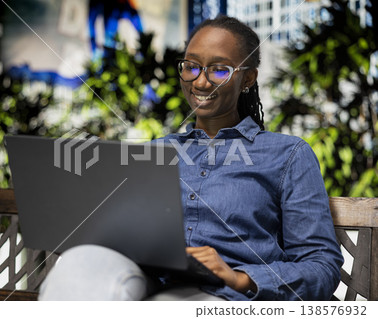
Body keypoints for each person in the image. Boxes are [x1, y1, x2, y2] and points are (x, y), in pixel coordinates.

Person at [38, 15, 343, 301]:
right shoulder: (155, 151)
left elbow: (321, 266)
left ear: (248, 78)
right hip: (150, 281)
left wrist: (240, 277)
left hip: (225, 295)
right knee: (75, 267)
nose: (200, 82)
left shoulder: (288, 155)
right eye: (191, 66)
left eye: (219, 70)